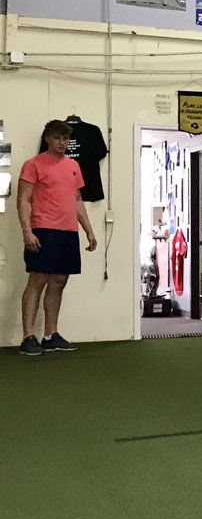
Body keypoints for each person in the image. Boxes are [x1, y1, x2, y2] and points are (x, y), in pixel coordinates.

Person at [17, 120, 98, 356]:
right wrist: (27, 231)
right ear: (48, 139)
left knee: (59, 281)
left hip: (68, 232)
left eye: (65, 139)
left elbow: (77, 200)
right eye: (57, 138)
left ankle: (51, 335)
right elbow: (23, 200)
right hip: (43, 229)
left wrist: (88, 230)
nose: (62, 143)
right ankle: (28, 337)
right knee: (38, 280)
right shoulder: (33, 165)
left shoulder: (73, 165)